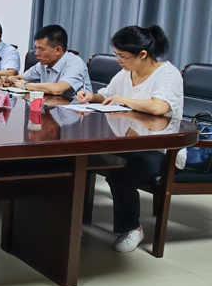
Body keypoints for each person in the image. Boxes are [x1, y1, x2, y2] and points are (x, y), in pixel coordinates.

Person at [76, 25, 183, 253]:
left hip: (159, 150)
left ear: (142, 54)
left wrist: (124, 100)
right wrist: (91, 96)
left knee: (121, 176)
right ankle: (73, 220)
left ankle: (132, 229)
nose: (118, 61)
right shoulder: (127, 72)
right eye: (116, 55)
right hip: (126, 144)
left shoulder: (167, 74)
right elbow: (107, 95)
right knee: (80, 159)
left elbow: (159, 106)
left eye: (122, 56)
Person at [0, 25, 91, 96]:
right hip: (51, 108)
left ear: (58, 50)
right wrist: (7, 80)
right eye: (36, 48)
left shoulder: (75, 64)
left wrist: (25, 85)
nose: (36, 53)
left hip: (76, 113)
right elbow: (20, 78)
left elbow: (58, 89)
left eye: (41, 49)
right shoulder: (43, 64)